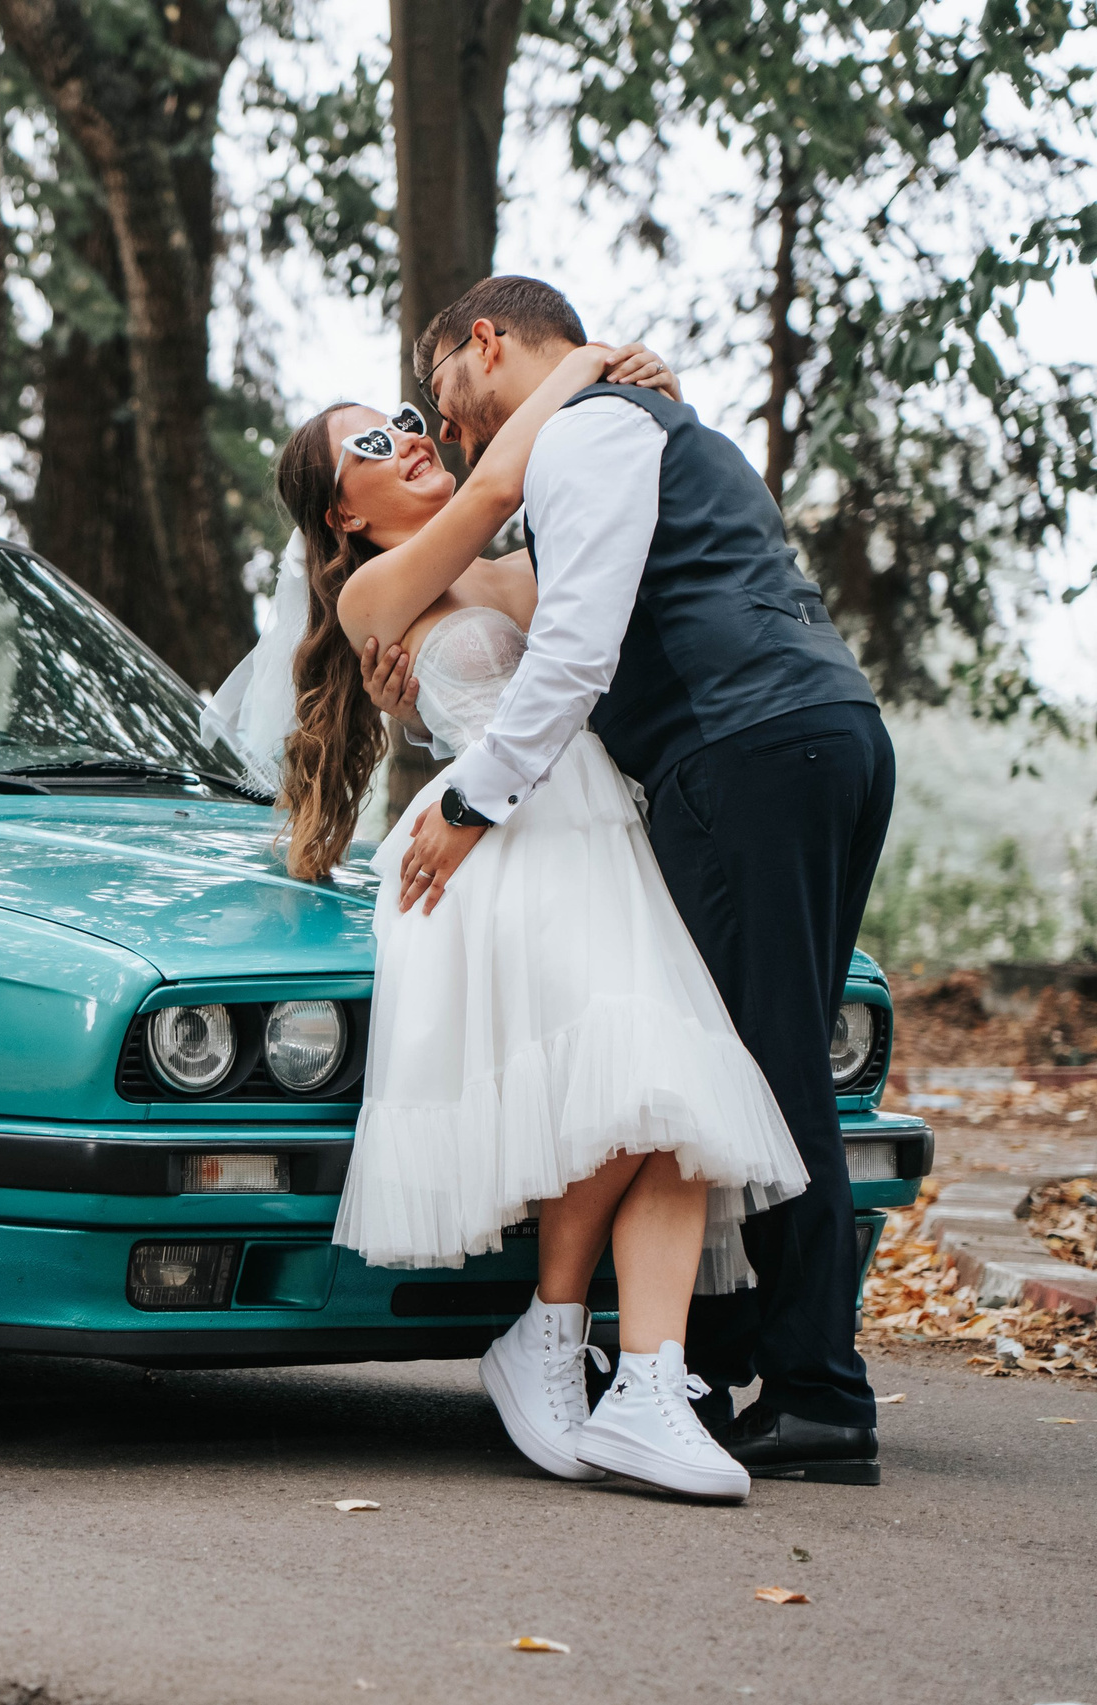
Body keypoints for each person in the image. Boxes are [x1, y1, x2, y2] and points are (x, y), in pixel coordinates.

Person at [224, 335, 809, 1501]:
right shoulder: (372, 592)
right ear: (340, 516)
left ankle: (646, 1381)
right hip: (488, 850)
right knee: (632, 1080)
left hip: (598, 824)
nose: (405, 439)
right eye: (371, 446)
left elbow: (609, 587)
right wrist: (583, 362)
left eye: (401, 416)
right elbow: (493, 478)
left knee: (672, 1094)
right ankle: (545, 1337)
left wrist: (656, 419)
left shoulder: (510, 560)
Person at [355, 277, 899, 1485]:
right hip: (825, 730)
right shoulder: (638, 421)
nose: (442, 429)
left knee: (759, 1064)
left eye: (442, 396)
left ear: (485, 344)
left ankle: (814, 1394)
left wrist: (470, 796)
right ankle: (721, 1358)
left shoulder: (592, 429)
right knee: (761, 1053)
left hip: (742, 747)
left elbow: (579, 639)